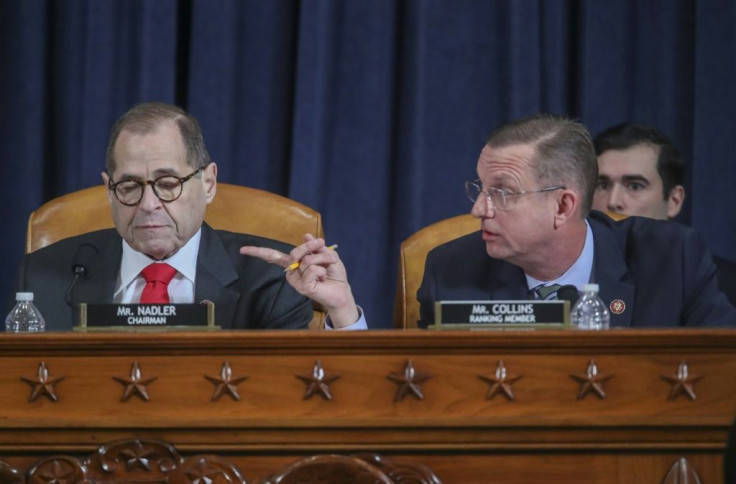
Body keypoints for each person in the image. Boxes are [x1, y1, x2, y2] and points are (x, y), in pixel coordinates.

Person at [18, 102, 364, 331]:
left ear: (208, 183)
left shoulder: (270, 281)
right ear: (109, 189)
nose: (148, 204)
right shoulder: (47, 275)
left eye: (168, 184)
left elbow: (312, 399)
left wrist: (343, 313)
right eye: (129, 186)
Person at [417, 114, 736, 328]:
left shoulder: (671, 260)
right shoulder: (451, 271)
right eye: (481, 188)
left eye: (502, 193)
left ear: (563, 205)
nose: (479, 210)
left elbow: (721, 370)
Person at [592, 122, 736, 307]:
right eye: (602, 185)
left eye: (635, 186)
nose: (613, 201)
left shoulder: (722, 286)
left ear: (674, 201)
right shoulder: (564, 276)